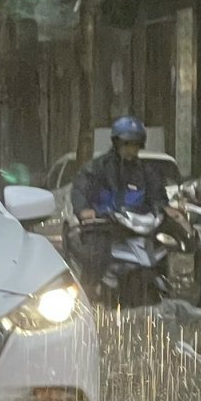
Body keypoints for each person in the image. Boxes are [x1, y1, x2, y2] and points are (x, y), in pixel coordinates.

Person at [68, 116, 178, 286]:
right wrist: (84, 210)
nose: (130, 149)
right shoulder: (97, 168)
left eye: (134, 145)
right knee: (95, 258)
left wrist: (164, 209)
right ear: (116, 143)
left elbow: (158, 197)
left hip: (138, 230)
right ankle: (90, 294)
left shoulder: (147, 172)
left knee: (163, 251)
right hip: (104, 228)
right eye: (126, 144)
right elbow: (80, 189)